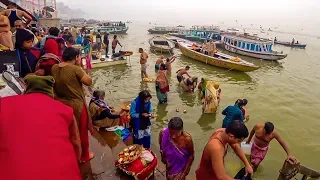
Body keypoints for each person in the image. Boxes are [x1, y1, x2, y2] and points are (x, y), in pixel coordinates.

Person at [0, 75, 82, 180]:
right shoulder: (65, 110)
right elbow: (76, 144)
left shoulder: (4, 104)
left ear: (27, 88)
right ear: (51, 91)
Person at [51, 47, 95, 163]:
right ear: (76, 57)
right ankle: (84, 156)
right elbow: (89, 82)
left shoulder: (54, 67)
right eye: (79, 56)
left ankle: (72, 153)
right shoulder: (76, 69)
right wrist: (83, 67)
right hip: (77, 105)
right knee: (82, 131)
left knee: (68, 131)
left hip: (60, 103)